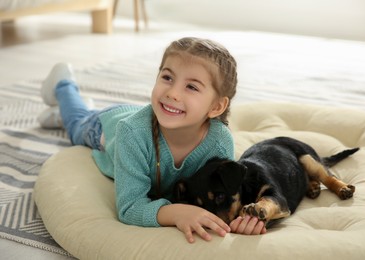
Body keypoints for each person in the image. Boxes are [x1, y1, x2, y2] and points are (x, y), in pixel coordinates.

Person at [38, 37, 266, 243]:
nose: (173, 93)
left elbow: (225, 194)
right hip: (105, 128)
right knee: (78, 124)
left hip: (158, 116)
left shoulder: (219, 140)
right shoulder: (131, 134)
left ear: (216, 107)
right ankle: (63, 85)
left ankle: (64, 113)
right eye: (167, 77)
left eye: (191, 86)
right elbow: (130, 208)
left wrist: (247, 219)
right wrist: (176, 212)